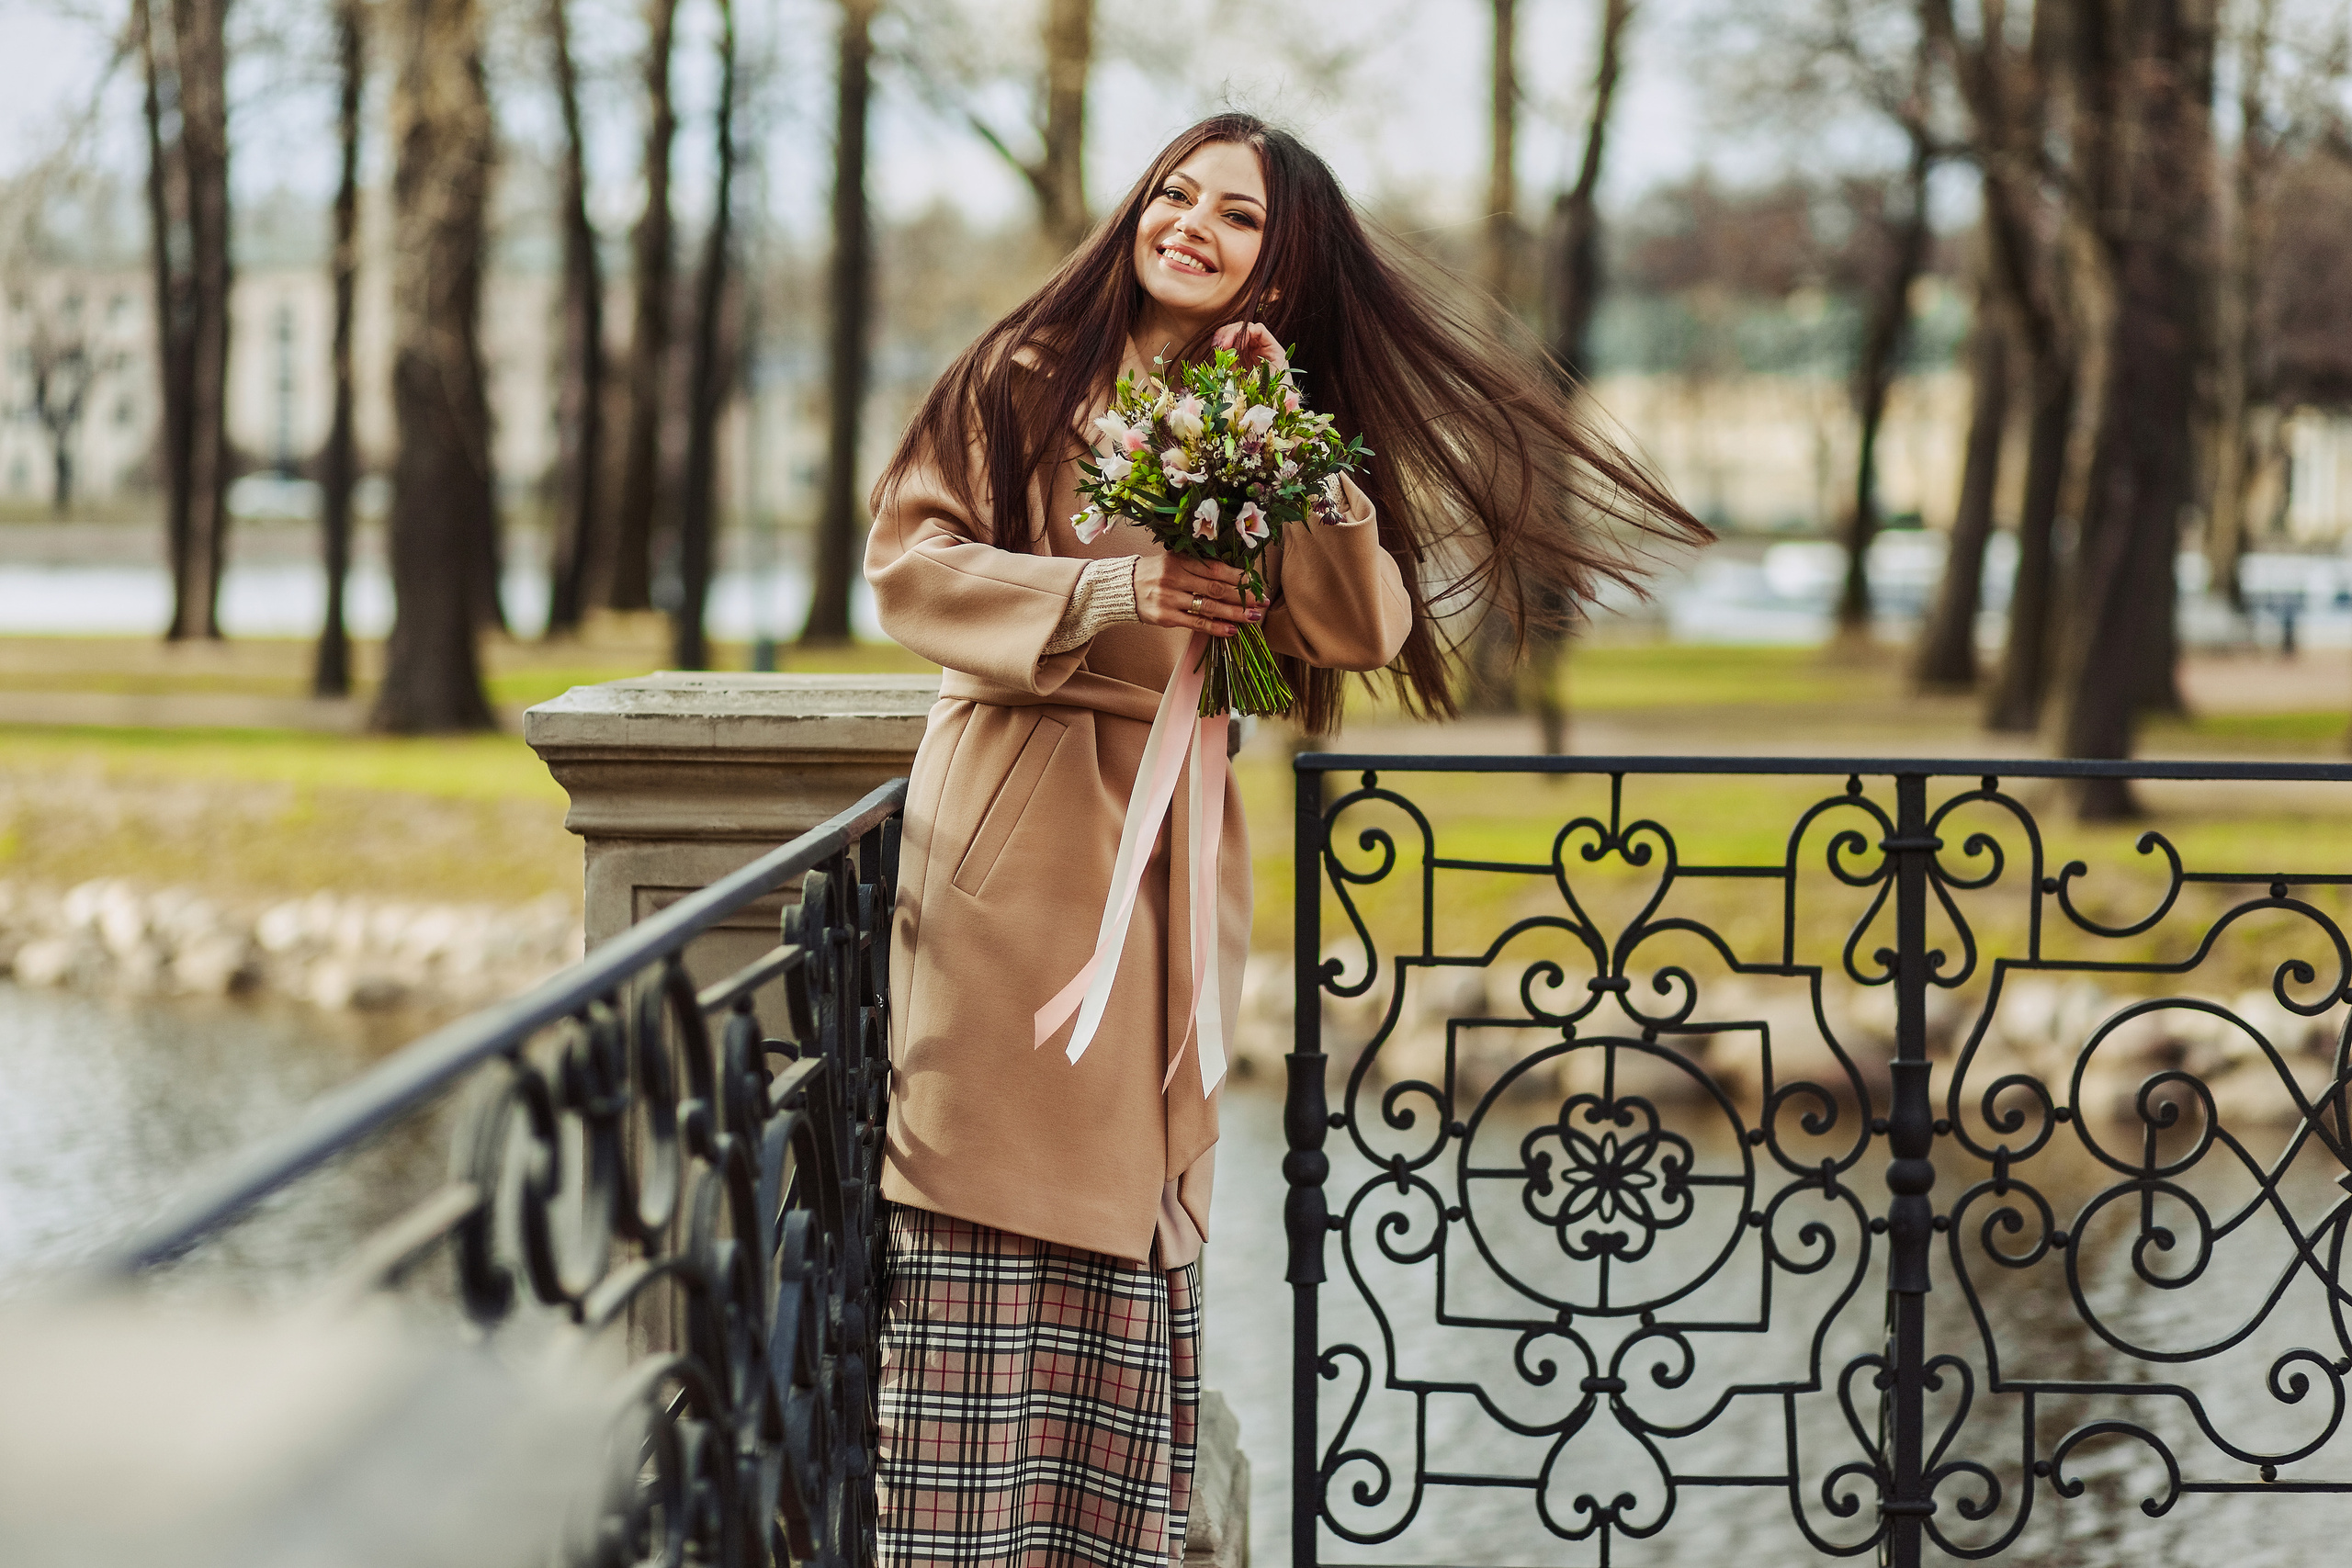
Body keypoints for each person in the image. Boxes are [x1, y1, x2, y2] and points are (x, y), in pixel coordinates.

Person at [862, 111, 1704, 1567]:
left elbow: (1354, 625)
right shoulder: (1023, 377)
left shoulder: (1274, 420)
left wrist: (1299, 451)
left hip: (1183, 830)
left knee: (1143, 1192)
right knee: (993, 1168)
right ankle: (954, 1535)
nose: (1190, 222)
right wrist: (1112, 601)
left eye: (1235, 215)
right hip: (1023, 826)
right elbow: (909, 566)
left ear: (1279, 261)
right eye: (1175, 193)